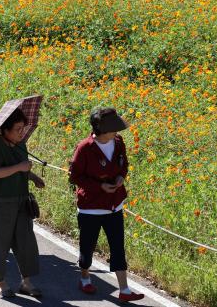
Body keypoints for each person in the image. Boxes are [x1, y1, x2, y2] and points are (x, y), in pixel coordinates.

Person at [69, 107, 144, 302]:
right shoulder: (84, 148)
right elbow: (74, 176)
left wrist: (120, 177)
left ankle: (124, 290)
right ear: (101, 130)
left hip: (114, 205)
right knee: (88, 246)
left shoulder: (118, 142)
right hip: (90, 208)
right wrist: (99, 186)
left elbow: (124, 164)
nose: (117, 132)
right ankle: (84, 277)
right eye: (113, 129)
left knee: (118, 246)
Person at [0, 108, 45, 298]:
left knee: (25, 242)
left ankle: (26, 282)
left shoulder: (20, 144)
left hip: (20, 200)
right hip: (0, 202)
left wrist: (33, 176)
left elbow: (22, 167)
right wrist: (20, 167)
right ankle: (0, 281)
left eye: (23, 128)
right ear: (4, 130)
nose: (22, 132)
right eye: (18, 129)